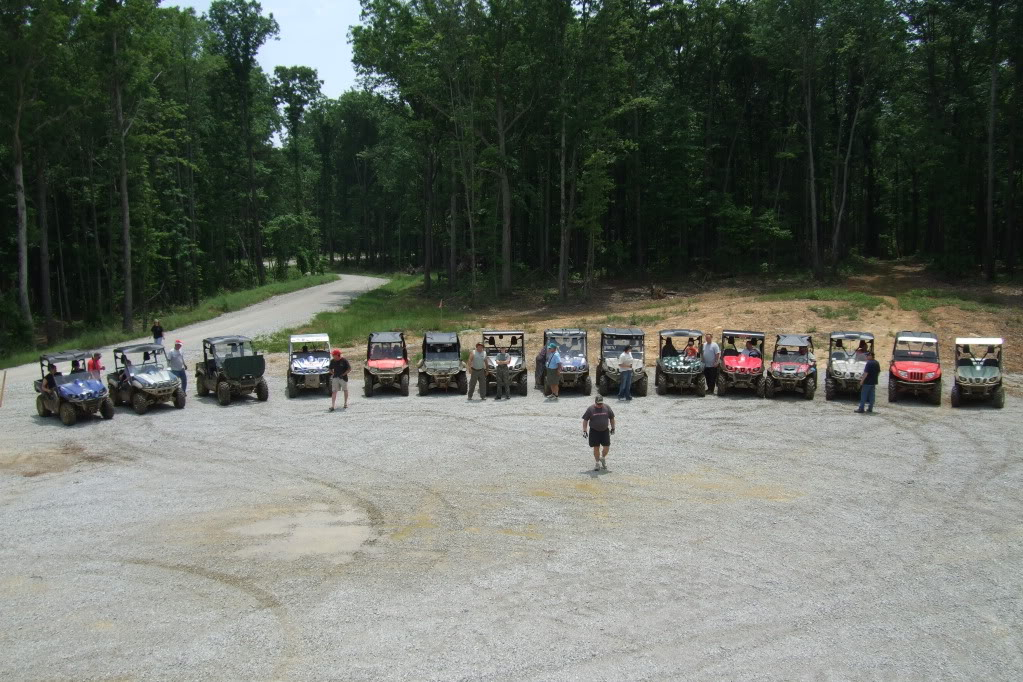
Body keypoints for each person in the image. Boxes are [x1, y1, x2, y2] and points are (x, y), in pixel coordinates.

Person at [582, 395, 616, 472]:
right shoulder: (590, 409)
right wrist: (584, 431)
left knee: (607, 447)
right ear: (595, 402)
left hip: (605, 431)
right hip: (594, 431)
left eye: (601, 403)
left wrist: (613, 428)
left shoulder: (607, 407)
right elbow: (585, 420)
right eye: (598, 404)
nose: (600, 405)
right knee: (596, 447)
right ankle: (597, 463)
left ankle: (603, 458)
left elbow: (612, 418)